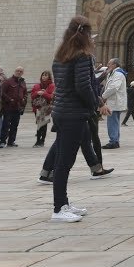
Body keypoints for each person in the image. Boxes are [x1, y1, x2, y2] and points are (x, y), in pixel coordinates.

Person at [48, 16, 101, 222]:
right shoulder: (82, 56)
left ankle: (64, 203)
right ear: (85, 34)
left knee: (62, 159)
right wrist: (95, 103)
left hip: (61, 111)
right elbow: (83, 85)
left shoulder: (60, 56)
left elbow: (62, 84)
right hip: (73, 114)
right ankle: (59, 208)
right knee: (64, 162)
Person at [101, 58, 128, 148]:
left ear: (115, 65)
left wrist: (103, 97)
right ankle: (115, 140)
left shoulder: (118, 74)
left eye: (109, 63)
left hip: (115, 102)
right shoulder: (113, 74)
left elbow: (113, 88)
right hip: (114, 102)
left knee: (112, 122)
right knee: (114, 122)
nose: (107, 65)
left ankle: (113, 141)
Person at [0, 67, 28, 147]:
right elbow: (2, 92)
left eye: (21, 71)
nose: (19, 72)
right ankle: (2, 141)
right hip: (8, 107)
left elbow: (25, 92)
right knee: (6, 124)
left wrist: (24, 99)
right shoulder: (8, 81)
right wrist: (10, 99)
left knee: (15, 125)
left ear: (22, 73)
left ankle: (11, 141)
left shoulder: (23, 82)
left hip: (18, 107)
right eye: (17, 71)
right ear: (15, 71)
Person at [30, 71, 55, 147]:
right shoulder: (37, 86)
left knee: (44, 125)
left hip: (46, 108)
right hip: (37, 108)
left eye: (46, 75)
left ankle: (42, 141)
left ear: (49, 77)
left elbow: (51, 97)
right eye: (43, 75)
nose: (44, 77)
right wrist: (37, 93)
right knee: (39, 124)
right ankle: (38, 140)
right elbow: (32, 96)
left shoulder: (52, 86)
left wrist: (44, 93)